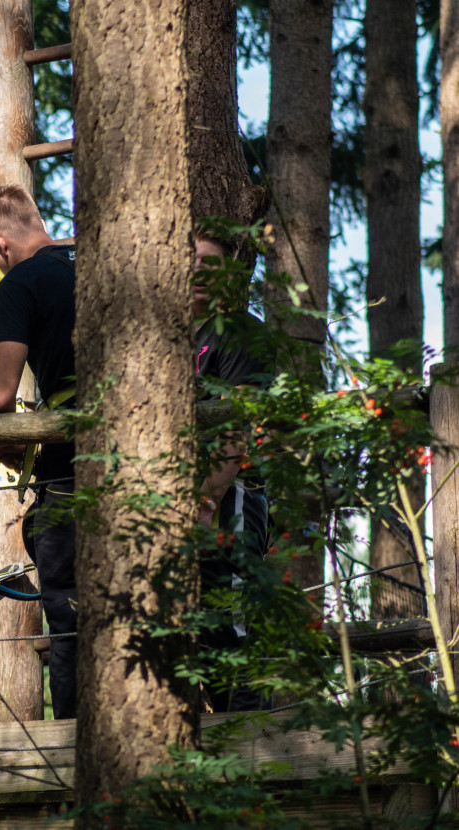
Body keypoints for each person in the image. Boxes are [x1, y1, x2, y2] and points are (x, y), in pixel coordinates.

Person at [0, 184, 79, 719]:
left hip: (67, 466)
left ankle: (70, 749)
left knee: (68, 616)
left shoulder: (19, 282)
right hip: (132, 455)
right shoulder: (88, 263)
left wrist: (11, 446)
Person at [193, 234, 273, 711]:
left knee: (233, 632)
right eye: (190, 260)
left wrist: (206, 499)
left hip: (231, 500)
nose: (198, 271)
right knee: (200, 639)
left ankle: (248, 763)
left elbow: (239, 422)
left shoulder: (240, 330)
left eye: (210, 262)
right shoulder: (176, 343)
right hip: (183, 506)